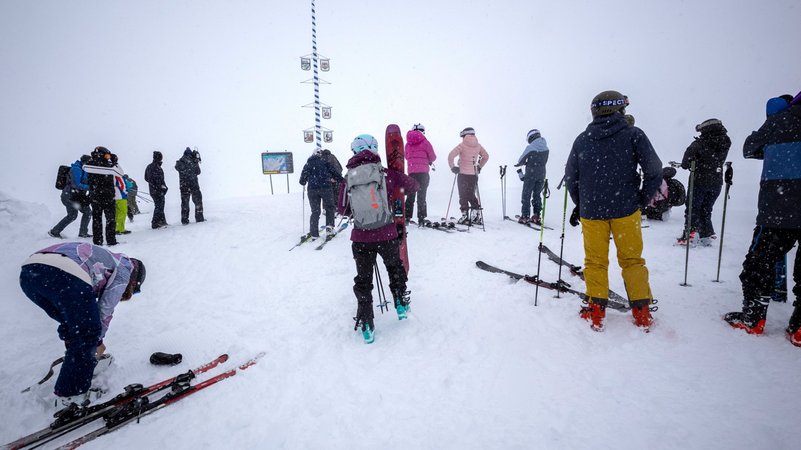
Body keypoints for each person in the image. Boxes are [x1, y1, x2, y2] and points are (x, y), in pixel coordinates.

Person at [564, 90, 662, 331]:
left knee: (595, 261)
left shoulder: (583, 139)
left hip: (592, 211)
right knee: (632, 260)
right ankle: (641, 312)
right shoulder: (633, 135)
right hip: (626, 209)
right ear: (620, 109)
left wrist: (582, 203)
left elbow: (571, 177)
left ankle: (596, 311)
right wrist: (641, 199)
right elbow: (654, 170)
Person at [18, 242, 146, 406]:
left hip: (30, 274)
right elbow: (105, 309)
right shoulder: (125, 269)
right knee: (88, 332)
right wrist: (97, 341)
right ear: (134, 281)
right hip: (65, 272)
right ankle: (71, 395)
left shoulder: (109, 259)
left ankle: (78, 365)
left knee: (74, 325)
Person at [724, 92, 801, 346]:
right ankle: (800, 328)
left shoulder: (780, 120)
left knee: (759, 263)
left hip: (779, 208)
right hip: (781, 205)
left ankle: (753, 318)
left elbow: (750, 148)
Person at [337, 134, 418, 344]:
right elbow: (413, 186)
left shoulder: (348, 178)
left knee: (364, 280)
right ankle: (400, 304)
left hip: (361, 238)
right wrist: (393, 191)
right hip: (387, 234)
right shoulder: (386, 173)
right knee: (394, 267)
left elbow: (342, 209)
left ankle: (367, 323)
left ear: (355, 151)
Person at [676, 118, 731, 246]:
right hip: (716, 181)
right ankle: (706, 234)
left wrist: (693, 161)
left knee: (693, 208)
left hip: (699, 180)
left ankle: (690, 234)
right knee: (706, 209)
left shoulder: (699, 144)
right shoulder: (726, 142)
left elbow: (685, 163)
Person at [448, 127, 489, 225]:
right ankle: (475, 214)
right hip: (473, 174)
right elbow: (486, 156)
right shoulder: (478, 146)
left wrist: (453, 167)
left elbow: (450, 156)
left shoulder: (462, 145)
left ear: (464, 135)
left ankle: (465, 215)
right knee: (471, 194)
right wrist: (479, 167)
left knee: (463, 195)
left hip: (462, 174)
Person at [299, 149, 343, 239]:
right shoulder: (325, 162)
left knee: (315, 211)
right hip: (326, 188)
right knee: (329, 207)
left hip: (312, 190)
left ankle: (314, 233)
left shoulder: (308, 164)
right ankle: (329, 228)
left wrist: (307, 180)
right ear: (320, 155)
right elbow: (336, 173)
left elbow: (302, 181)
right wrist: (341, 180)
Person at [49, 155, 92, 239]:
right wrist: (90, 187)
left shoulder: (85, 170)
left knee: (85, 212)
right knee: (74, 215)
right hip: (69, 196)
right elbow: (76, 184)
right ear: (85, 162)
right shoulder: (76, 169)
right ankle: (54, 232)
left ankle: (82, 233)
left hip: (77, 196)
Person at [83, 146, 118, 246]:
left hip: (97, 196)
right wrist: (113, 161)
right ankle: (110, 240)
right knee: (110, 219)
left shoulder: (91, 163)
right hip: (106, 196)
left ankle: (98, 241)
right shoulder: (102, 164)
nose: (108, 157)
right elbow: (117, 170)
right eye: (107, 155)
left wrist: (112, 160)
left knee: (97, 220)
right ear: (101, 154)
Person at [514, 129, 549, 225]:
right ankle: (536, 216)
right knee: (537, 195)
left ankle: (525, 216)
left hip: (531, 174)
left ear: (531, 137)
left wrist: (524, 163)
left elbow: (520, 160)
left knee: (526, 195)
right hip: (542, 174)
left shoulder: (530, 147)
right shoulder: (546, 148)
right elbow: (544, 161)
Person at [404, 123, 437, 225]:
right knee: (421, 196)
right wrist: (427, 160)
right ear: (423, 132)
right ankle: (421, 219)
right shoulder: (425, 142)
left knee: (410, 196)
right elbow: (433, 157)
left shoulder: (408, 144)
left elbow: (406, 157)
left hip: (412, 173)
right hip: (423, 173)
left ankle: (406, 218)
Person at [175, 147, 204, 224]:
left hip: (184, 186)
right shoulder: (192, 162)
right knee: (198, 201)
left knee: (185, 203)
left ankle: (184, 220)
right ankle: (199, 218)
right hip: (194, 185)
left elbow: (177, 167)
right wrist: (196, 162)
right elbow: (198, 172)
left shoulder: (180, 162)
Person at [144, 151, 168, 229]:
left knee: (160, 205)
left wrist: (162, 187)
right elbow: (155, 179)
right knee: (159, 206)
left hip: (155, 190)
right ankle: (155, 223)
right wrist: (159, 186)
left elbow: (146, 178)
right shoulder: (155, 167)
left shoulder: (151, 166)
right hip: (157, 190)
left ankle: (162, 221)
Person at [111, 154, 130, 235]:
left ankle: (117, 228)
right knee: (122, 212)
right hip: (120, 194)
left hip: (114, 193)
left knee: (117, 212)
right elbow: (121, 182)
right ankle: (119, 229)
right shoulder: (115, 168)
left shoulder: (109, 167)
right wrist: (125, 192)